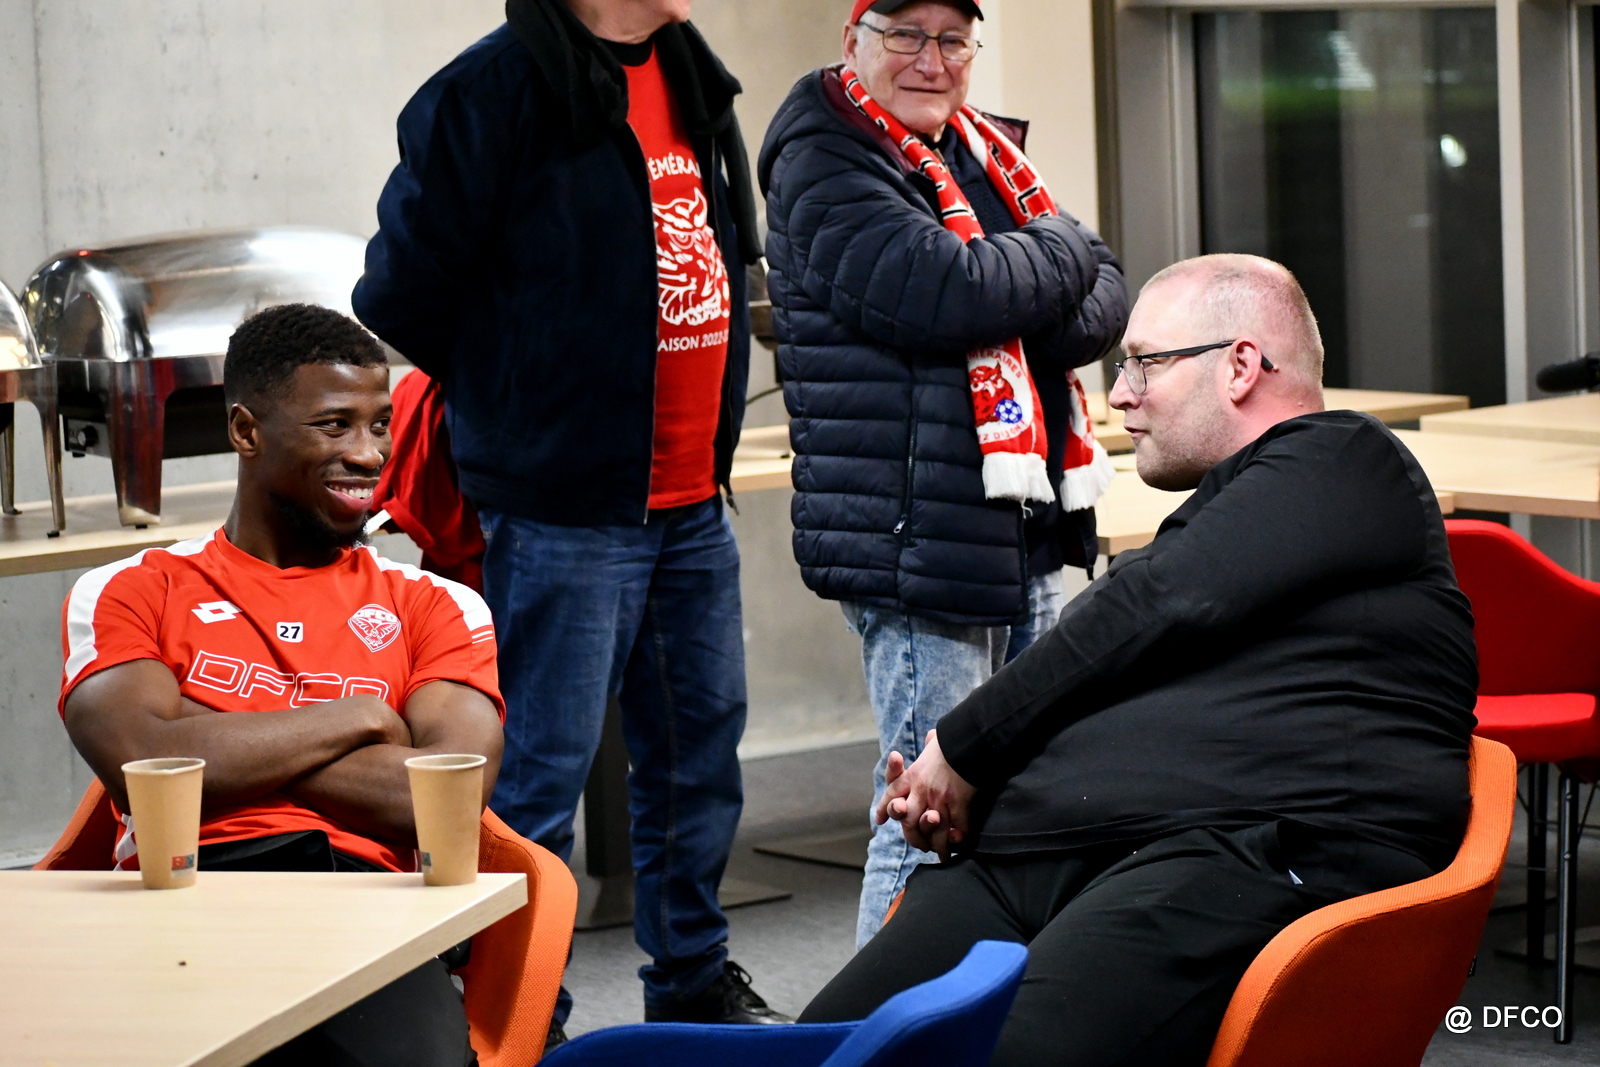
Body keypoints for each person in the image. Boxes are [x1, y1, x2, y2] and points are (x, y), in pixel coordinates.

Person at [798, 254, 1479, 1066]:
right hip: (1061, 848)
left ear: (1241, 366)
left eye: (1145, 363)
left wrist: (961, 749)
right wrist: (974, 792)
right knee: (824, 1049)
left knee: (1004, 1055)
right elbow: (1132, 633)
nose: (1120, 394)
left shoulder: (1346, 457)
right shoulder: (1244, 518)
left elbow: (1154, 602)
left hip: (1244, 848)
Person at [351, 0, 783, 1038]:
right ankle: (521, 1003)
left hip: (691, 497)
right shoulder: (488, 90)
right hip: (563, 508)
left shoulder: (689, 70)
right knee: (539, 772)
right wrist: (523, 387)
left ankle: (690, 979)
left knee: (697, 758)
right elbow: (399, 290)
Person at [758, 0, 1129, 947]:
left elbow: (1106, 299)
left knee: (1011, 803)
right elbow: (952, 293)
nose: (932, 59)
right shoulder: (824, 155)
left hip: (1018, 523)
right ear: (853, 42)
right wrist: (1060, 249)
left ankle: (976, 1010)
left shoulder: (981, 151)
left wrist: (1032, 275)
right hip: (918, 541)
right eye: (905, 35)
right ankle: (874, 1021)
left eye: (954, 39)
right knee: (923, 814)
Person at [57, 303, 504, 1067]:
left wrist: (205, 733)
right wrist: (363, 716)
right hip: (186, 896)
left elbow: (439, 804)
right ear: (246, 431)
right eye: (335, 426)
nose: (369, 454)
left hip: (367, 901)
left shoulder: (438, 605)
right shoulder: (130, 590)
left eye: (380, 425)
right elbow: (143, 763)